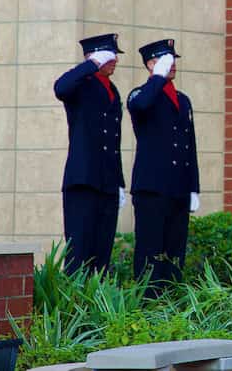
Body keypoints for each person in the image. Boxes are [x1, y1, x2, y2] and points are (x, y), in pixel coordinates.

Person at [127, 38, 200, 292]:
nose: (172, 66)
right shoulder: (140, 95)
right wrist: (157, 78)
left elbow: (190, 145)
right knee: (150, 253)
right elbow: (142, 105)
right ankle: (148, 304)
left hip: (178, 188)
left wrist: (194, 187)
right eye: (165, 61)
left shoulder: (183, 100)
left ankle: (171, 304)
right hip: (152, 188)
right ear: (151, 64)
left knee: (174, 254)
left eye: (173, 61)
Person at [54, 33, 126, 275]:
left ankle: (97, 309)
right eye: (109, 55)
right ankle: (74, 309)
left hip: (107, 181)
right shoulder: (81, 85)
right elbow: (60, 87)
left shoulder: (112, 90)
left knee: (101, 255)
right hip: (83, 180)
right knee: (79, 253)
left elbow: (113, 141)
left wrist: (119, 183)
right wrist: (90, 64)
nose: (115, 59)